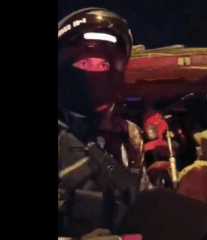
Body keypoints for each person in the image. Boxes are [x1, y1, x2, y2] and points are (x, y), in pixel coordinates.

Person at [58, 7, 147, 238]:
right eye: (85, 64)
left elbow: (136, 198)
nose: (94, 73)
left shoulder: (128, 135)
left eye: (103, 65)